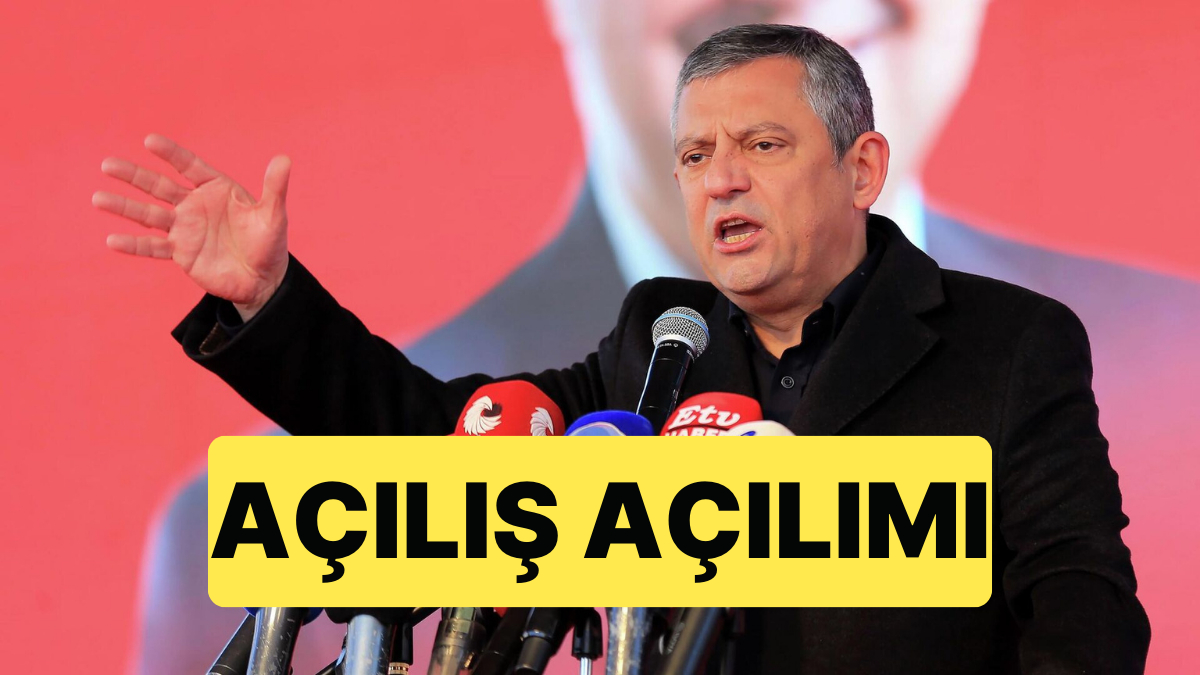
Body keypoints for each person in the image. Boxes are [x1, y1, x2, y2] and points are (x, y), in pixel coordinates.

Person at [97, 24, 1149, 673]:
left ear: (862, 168)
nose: (719, 179)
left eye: (762, 145)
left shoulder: (1010, 341)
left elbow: (1080, 603)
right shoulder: (664, 347)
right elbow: (453, 444)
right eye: (695, 153)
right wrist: (273, 305)